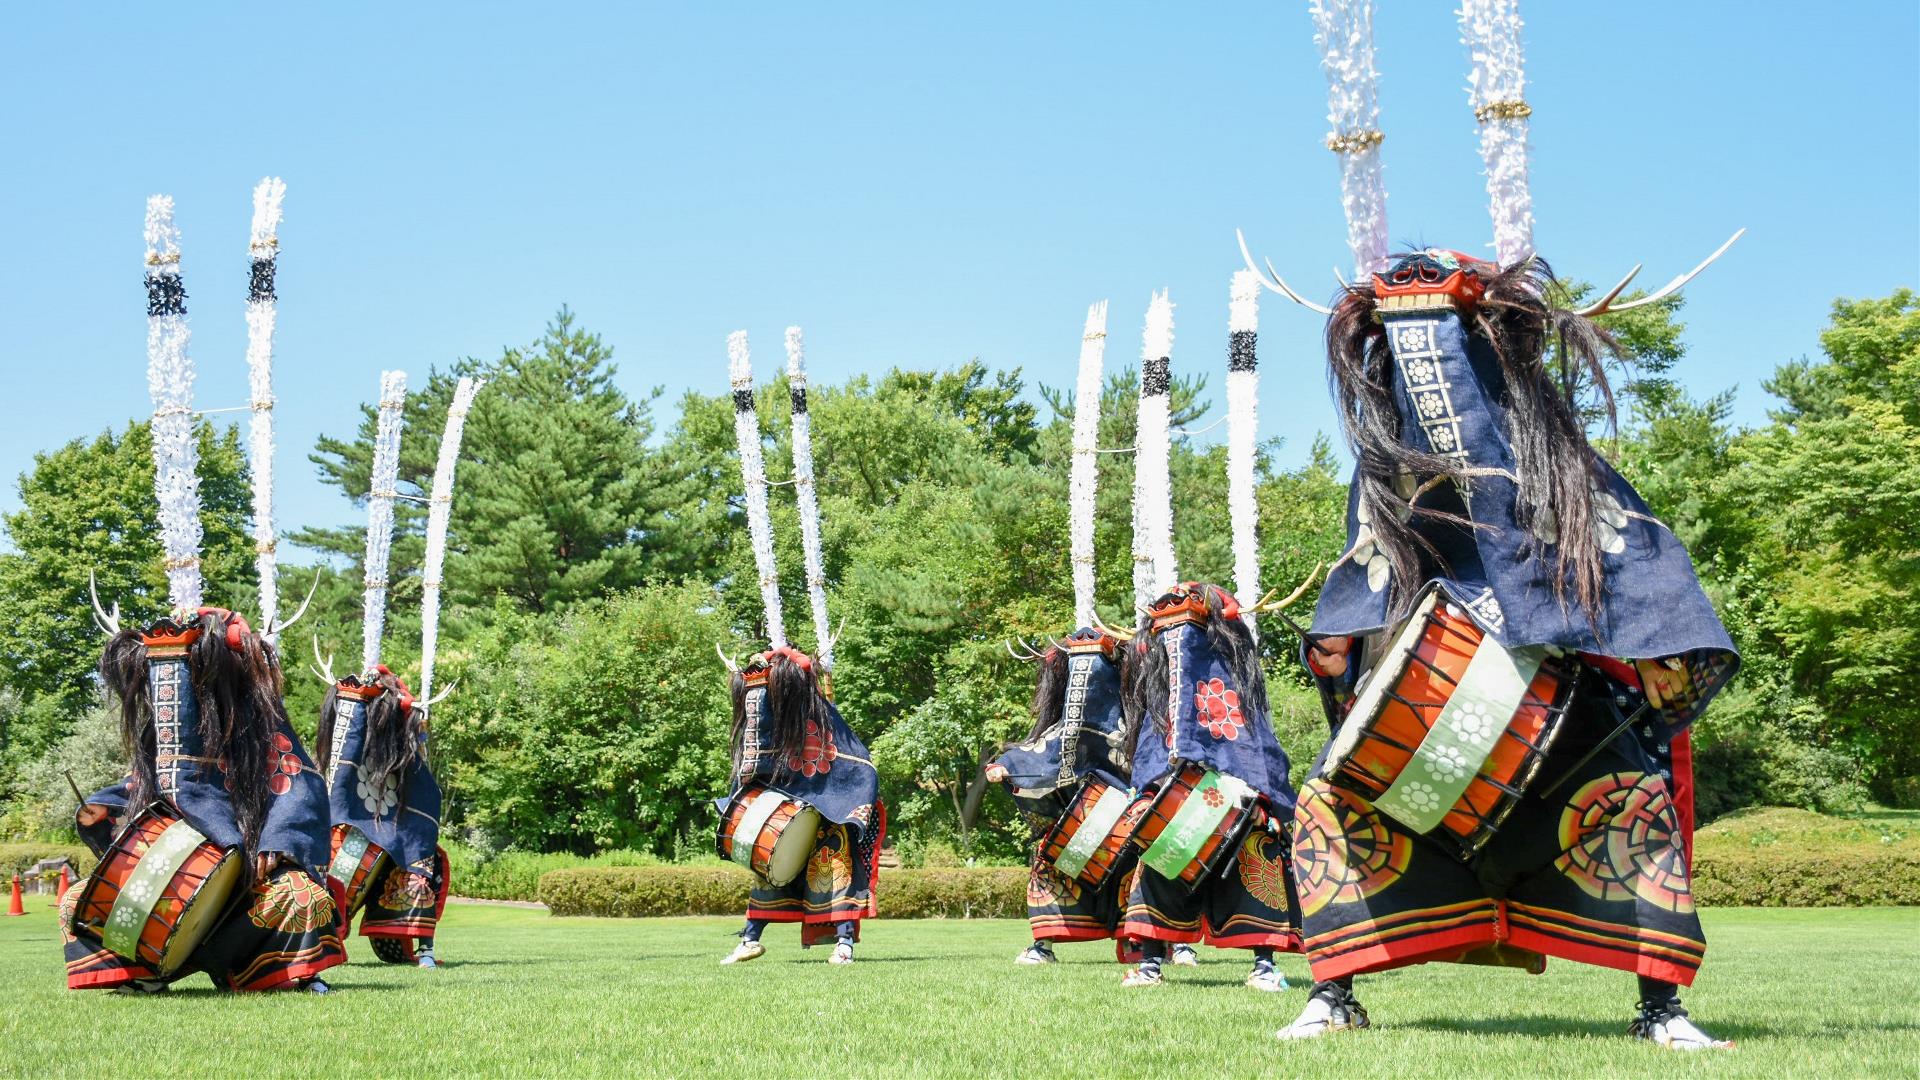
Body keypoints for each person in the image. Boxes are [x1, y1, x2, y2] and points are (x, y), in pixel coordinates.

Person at [1278, 250, 1735, 1050]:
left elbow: (1630, 554)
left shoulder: (1556, 459)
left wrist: (1657, 646)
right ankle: (1333, 991)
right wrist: (1339, 646)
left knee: (1635, 805)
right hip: (1425, 680)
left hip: (1559, 687)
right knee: (1330, 803)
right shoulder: (1383, 469)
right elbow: (1367, 564)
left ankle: (1660, 1008)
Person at [64, 608, 345, 993]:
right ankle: (145, 974)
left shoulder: (260, 723)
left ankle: (287, 973)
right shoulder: (161, 736)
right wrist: (103, 809)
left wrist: (280, 840)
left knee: (302, 894)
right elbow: (137, 787)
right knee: (77, 902)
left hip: (247, 882)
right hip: (170, 886)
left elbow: (297, 783)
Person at [1117, 583, 1301, 992]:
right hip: (1175, 795)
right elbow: (1150, 749)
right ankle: (1150, 962)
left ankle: (1264, 964)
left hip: (1236, 792)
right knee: (1160, 858)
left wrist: (1258, 793)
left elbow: (1255, 747)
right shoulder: (1160, 701)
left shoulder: (1236, 688)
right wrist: (1148, 792)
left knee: (1256, 853)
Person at [719, 648, 884, 965]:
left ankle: (844, 945)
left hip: (833, 809)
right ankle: (750, 939)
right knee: (769, 874)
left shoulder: (820, 717)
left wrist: (847, 807)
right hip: (790, 807)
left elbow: (858, 765)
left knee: (836, 873)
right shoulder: (776, 718)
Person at [987, 628, 1135, 964]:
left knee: (1134, 871)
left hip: (1119, 819)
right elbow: (1040, 750)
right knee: (1049, 863)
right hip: (1069, 818)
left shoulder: (1131, 725)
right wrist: (1006, 766)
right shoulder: (1061, 727)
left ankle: (1142, 943)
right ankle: (1044, 944)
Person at [316, 665, 450, 968]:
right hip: (354, 825)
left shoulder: (402, 746)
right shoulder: (355, 725)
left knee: (423, 862)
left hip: (394, 824)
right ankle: (319, 939)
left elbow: (424, 791)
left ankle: (423, 948)